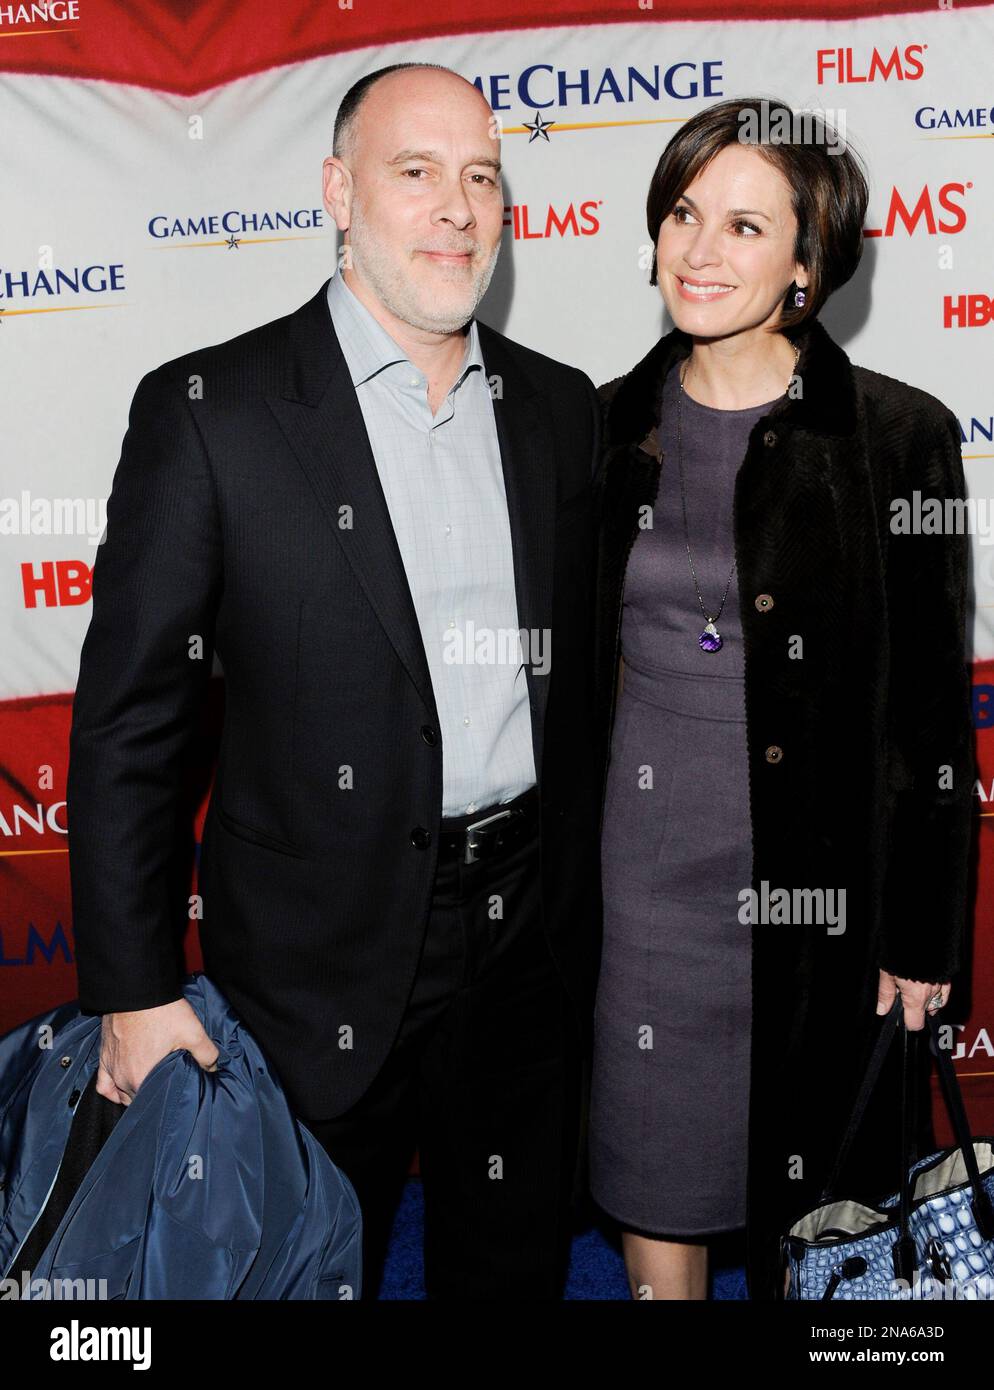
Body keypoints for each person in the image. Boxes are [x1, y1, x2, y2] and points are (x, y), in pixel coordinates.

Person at [67, 62, 604, 1300]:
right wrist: (136, 990)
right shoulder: (212, 413)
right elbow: (133, 726)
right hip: (314, 962)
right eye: (415, 172)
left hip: (524, 939)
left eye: (481, 176)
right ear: (337, 192)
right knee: (303, 1274)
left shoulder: (559, 413)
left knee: (510, 1266)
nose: (456, 208)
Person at [588, 96, 974, 1301]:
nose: (698, 251)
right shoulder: (597, 429)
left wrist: (918, 933)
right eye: (685, 213)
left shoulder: (893, 436)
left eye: (745, 227)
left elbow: (926, 711)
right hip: (638, 891)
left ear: (808, 261)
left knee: (823, 1230)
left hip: (821, 903)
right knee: (655, 1180)